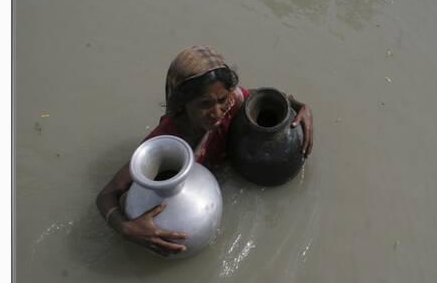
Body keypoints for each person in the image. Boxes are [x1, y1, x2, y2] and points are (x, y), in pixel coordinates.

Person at [96, 45, 313, 256]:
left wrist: (299, 106)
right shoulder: (168, 141)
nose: (217, 112)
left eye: (221, 99)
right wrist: (125, 228)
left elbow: (264, 97)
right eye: (205, 104)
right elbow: (106, 195)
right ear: (182, 104)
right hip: (189, 198)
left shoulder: (233, 101)